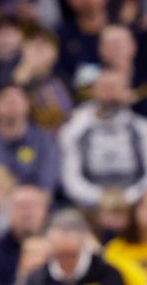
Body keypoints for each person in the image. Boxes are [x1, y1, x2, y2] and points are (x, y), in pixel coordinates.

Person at [59, 70, 147, 207]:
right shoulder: (73, 130)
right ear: (93, 91)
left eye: (116, 88)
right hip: (89, 204)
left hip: (136, 202)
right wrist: (99, 198)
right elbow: (70, 179)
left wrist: (128, 197)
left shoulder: (142, 129)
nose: (111, 94)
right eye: (105, 87)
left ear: (127, 92)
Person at [0, 85, 60, 192]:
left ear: (28, 103)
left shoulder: (45, 141)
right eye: (4, 97)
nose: (12, 102)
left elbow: (46, 186)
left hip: (34, 203)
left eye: (18, 97)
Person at [25, 208, 125, 285]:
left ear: (85, 237)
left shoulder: (106, 273)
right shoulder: (38, 278)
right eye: (60, 232)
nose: (65, 237)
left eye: (70, 231)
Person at [0, 184, 51, 285]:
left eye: (33, 205)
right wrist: (23, 275)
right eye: (21, 206)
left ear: (45, 211)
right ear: (8, 211)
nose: (27, 212)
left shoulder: (57, 249)